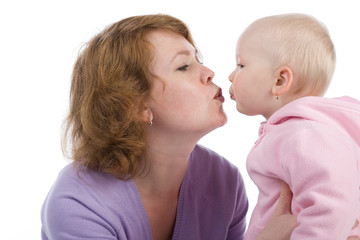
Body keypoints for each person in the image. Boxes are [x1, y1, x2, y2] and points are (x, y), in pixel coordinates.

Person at [41, 14, 299, 240]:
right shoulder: (79, 203)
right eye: (184, 66)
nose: (209, 72)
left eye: (199, 60)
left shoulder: (224, 182)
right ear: (135, 104)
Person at [228, 13, 360, 239]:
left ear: (280, 81)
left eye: (241, 65)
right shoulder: (295, 132)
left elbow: (332, 208)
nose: (231, 76)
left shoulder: (304, 135)